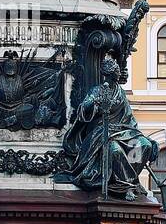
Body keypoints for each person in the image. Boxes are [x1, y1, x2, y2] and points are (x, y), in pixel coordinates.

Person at [58, 56, 159, 198]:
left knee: (145, 145)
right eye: (113, 76)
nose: (115, 78)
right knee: (115, 150)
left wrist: (142, 136)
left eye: (115, 75)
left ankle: (130, 180)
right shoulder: (97, 90)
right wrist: (94, 103)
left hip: (123, 131)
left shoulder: (120, 92)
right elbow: (83, 109)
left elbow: (129, 118)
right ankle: (126, 186)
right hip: (101, 132)